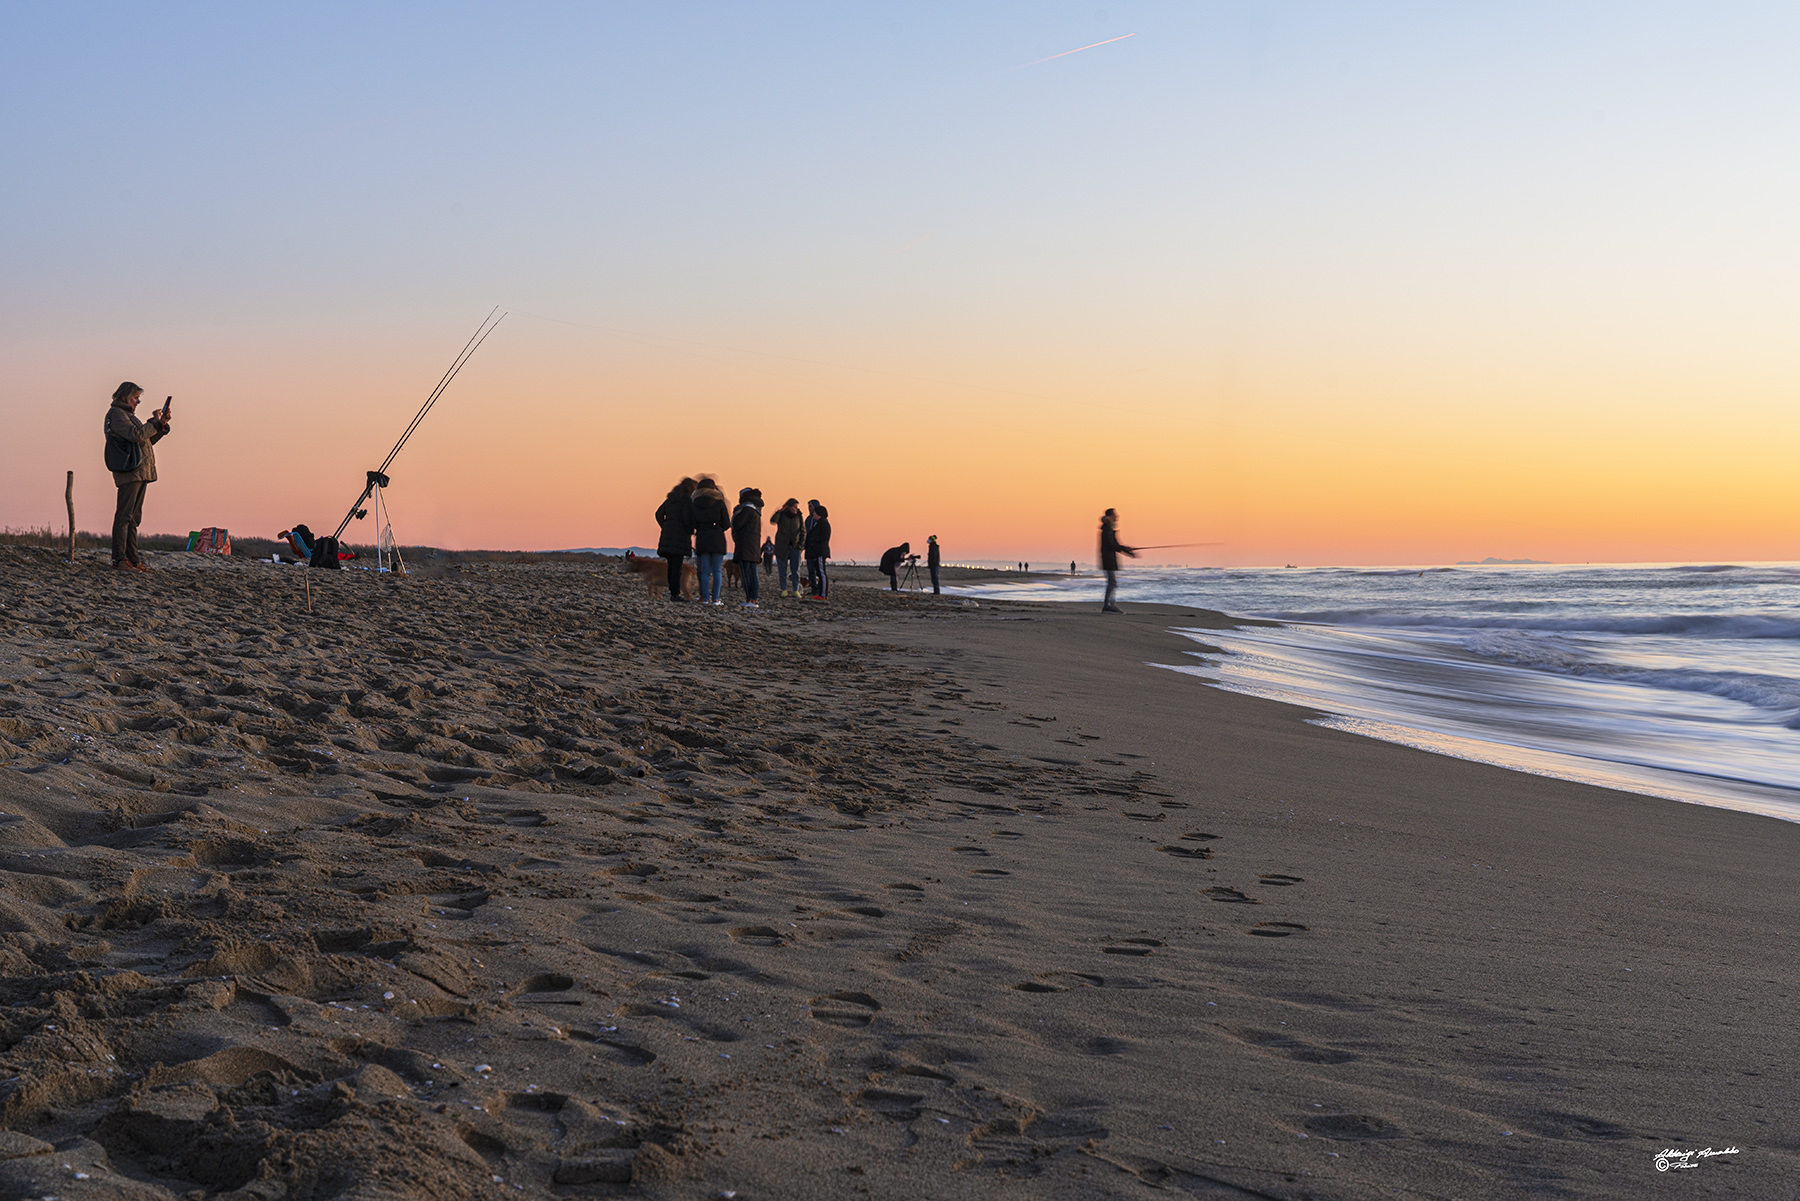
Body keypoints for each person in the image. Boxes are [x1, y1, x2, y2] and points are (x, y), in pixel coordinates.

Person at [105, 383, 171, 572]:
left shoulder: (127, 416)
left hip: (139, 471)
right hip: (130, 471)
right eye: (135, 397)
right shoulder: (117, 414)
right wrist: (155, 422)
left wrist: (161, 425)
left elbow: (145, 441)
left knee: (133, 518)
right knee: (124, 516)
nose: (138, 401)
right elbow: (136, 435)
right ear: (125, 396)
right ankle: (119, 560)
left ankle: (133, 560)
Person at [689, 477, 731, 605]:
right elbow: (726, 523)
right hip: (717, 537)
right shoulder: (719, 502)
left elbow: (693, 522)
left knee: (705, 571)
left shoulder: (695, 503)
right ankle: (716, 599)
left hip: (702, 537)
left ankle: (706, 598)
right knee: (717, 571)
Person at [654, 477, 697, 601]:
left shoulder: (670, 500)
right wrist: (690, 530)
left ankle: (673, 593)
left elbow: (658, 513)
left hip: (668, 536)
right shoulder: (686, 500)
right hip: (680, 536)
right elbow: (686, 518)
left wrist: (665, 526)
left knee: (671, 565)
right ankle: (675, 594)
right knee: (677, 567)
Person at [1099, 508, 1137, 613]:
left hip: (1109, 560)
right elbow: (1111, 545)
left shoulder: (1109, 529)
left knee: (1112, 583)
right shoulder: (1107, 529)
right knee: (1112, 583)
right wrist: (1125, 549)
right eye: (1115, 515)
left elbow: (1115, 545)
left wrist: (1128, 551)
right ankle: (1108, 606)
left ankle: (1109, 605)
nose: (1117, 517)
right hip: (1108, 560)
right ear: (1110, 517)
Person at [732, 488, 764, 608]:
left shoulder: (746, 509)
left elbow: (737, 524)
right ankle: (753, 599)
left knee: (746, 574)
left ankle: (751, 599)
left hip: (745, 546)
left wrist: (736, 514)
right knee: (752, 573)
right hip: (753, 546)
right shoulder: (756, 511)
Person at [771, 497, 805, 597]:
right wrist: (780, 511)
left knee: (795, 570)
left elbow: (803, 530)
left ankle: (796, 590)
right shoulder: (782, 514)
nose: (796, 509)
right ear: (788, 507)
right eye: (794, 507)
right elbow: (773, 520)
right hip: (782, 546)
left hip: (795, 546)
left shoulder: (799, 516)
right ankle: (784, 589)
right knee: (782, 570)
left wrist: (800, 545)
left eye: (797, 507)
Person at [803, 500, 831, 600]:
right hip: (814, 552)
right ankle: (819, 592)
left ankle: (823, 594)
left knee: (821, 573)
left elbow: (825, 537)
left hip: (820, 552)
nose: (813, 513)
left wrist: (815, 540)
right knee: (818, 572)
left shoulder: (823, 523)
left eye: (815, 512)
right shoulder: (817, 523)